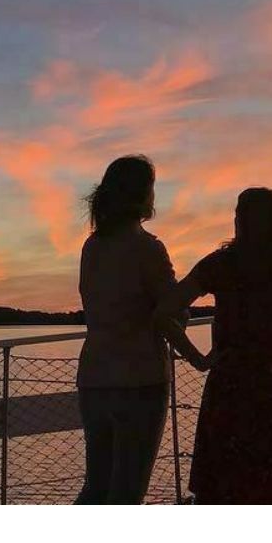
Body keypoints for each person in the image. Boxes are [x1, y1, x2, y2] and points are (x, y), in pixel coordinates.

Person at [160, 188, 272, 504]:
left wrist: (197, 358)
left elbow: (164, 311)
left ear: (240, 220)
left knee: (228, 485)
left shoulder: (221, 265)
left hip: (230, 389)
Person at [75, 155, 208, 504]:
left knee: (96, 486)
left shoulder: (92, 246)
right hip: (139, 379)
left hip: (94, 377)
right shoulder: (147, 248)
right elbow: (168, 313)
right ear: (142, 195)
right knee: (127, 492)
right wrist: (197, 357)